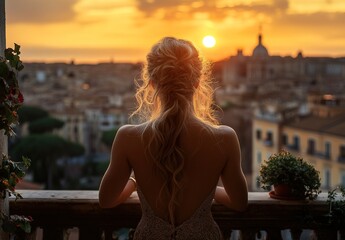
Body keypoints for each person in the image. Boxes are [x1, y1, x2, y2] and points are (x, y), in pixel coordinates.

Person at [99, 37, 248, 239]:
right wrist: (208, 189)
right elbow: (239, 202)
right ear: (196, 83)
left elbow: (107, 199)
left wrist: (135, 182)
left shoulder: (128, 137)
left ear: (151, 84)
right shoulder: (225, 138)